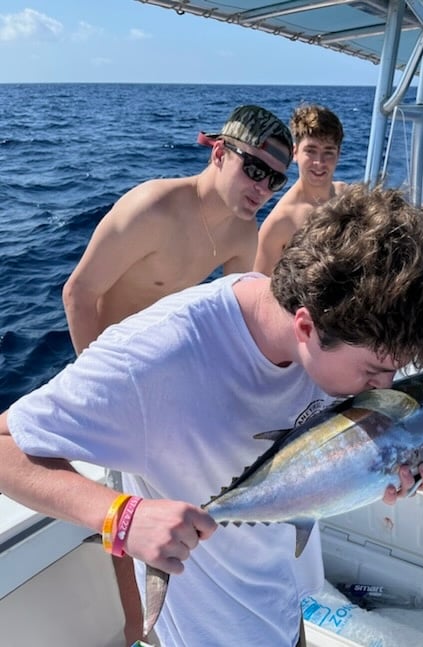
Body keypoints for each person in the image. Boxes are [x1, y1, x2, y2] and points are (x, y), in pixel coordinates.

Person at [0, 183, 423, 647]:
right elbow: (5, 446)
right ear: (306, 326)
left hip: (286, 611)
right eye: (374, 370)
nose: (384, 389)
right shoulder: (157, 357)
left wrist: (388, 469)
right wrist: (120, 518)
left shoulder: (331, 328)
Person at [61, 103, 294, 644]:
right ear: (218, 152)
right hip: (111, 376)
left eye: (275, 178)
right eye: (253, 168)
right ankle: (135, 630)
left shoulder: (243, 233)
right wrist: (103, 389)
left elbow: (245, 317)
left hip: (168, 379)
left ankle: (171, 622)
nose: (262, 186)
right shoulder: (154, 208)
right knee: (123, 516)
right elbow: (78, 293)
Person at [254, 104, 347, 275]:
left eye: (328, 152)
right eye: (311, 151)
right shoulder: (279, 223)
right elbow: (261, 292)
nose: (319, 162)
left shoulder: (346, 196)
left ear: (338, 154)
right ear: (295, 153)